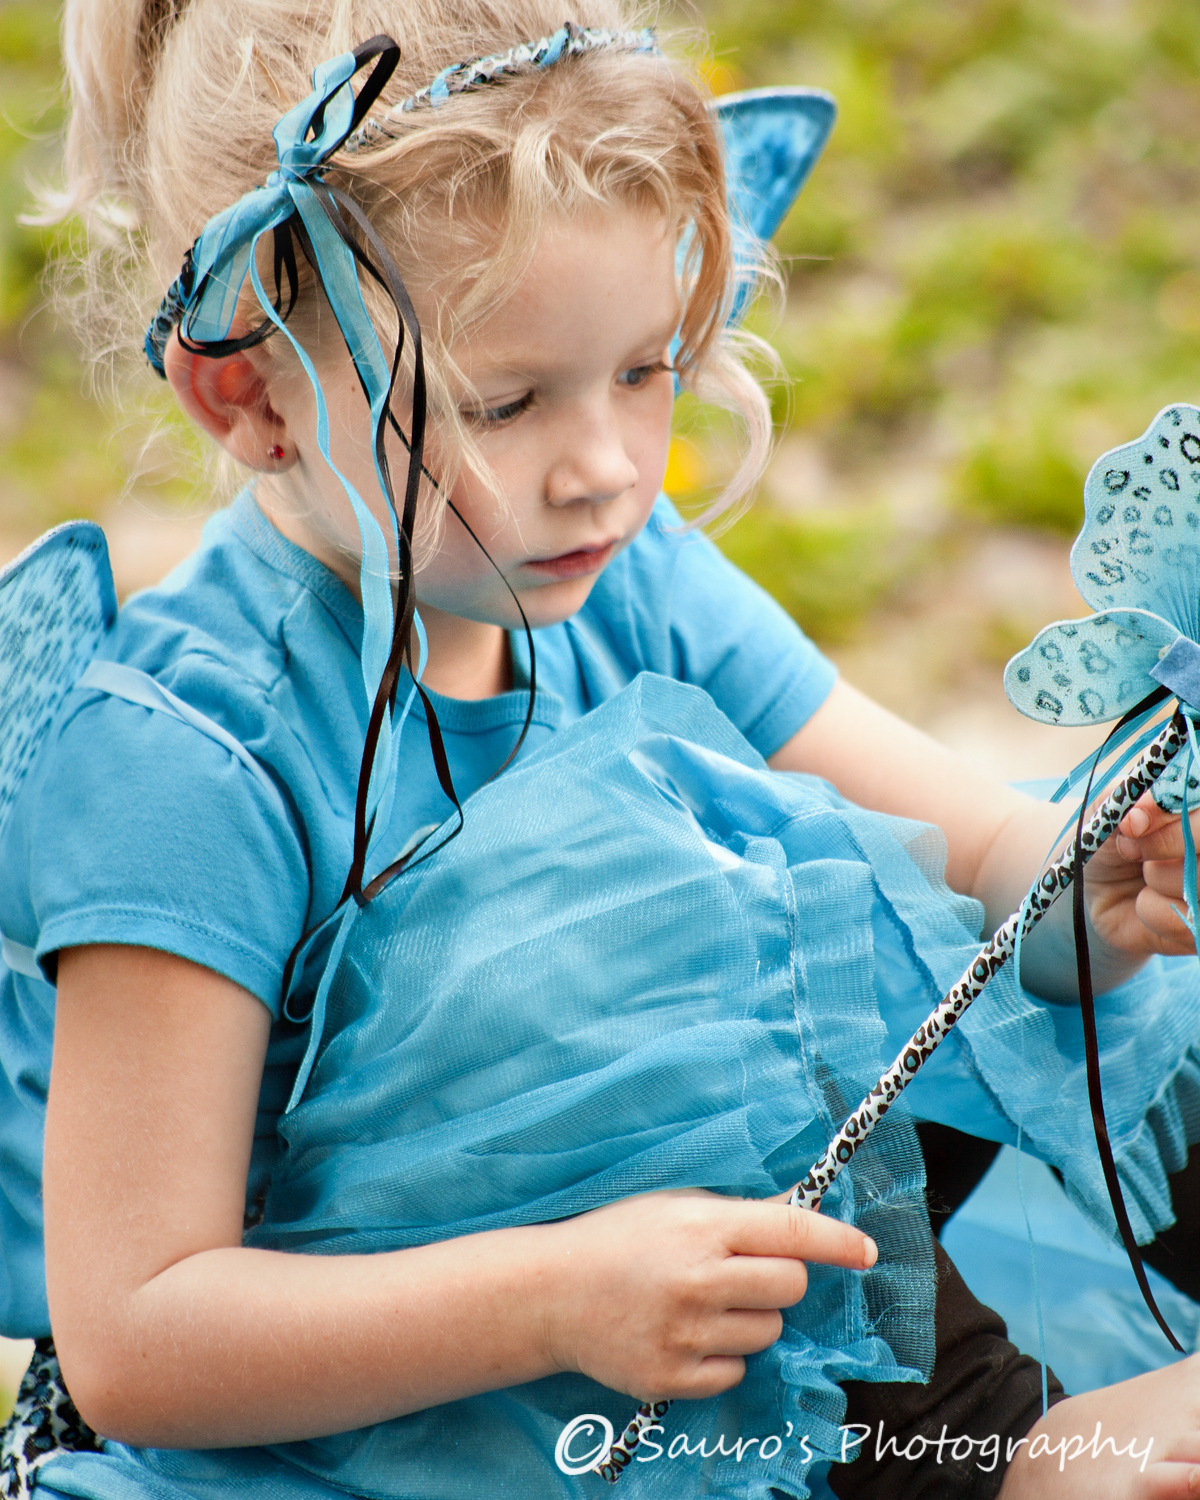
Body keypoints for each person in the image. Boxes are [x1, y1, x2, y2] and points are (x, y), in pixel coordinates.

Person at [2, 2, 1200, 1498]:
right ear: (247, 392)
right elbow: (136, 1334)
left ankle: (998, 1442)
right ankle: (1001, 1465)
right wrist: (557, 1295)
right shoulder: (187, 762)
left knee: (894, 929)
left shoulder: (630, 573)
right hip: (394, 1418)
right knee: (632, 942)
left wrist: (1087, 899)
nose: (610, 469)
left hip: (690, 1324)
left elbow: (959, 857)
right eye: (507, 403)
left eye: (646, 369)